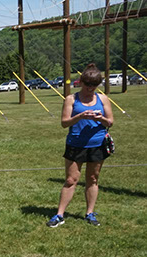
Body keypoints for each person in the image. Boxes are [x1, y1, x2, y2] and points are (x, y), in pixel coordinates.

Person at [47, 63, 114, 228]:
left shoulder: (103, 99)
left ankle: (90, 213)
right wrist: (80, 116)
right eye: (87, 85)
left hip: (97, 144)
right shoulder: (71, 99)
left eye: (94, 86)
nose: (90, 89)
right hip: (75, 144)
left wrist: (100, 119)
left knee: (93, 178)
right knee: (71, 180)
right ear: (81, 82)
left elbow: (110, 122)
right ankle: (59, 215)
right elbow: (64, 123)